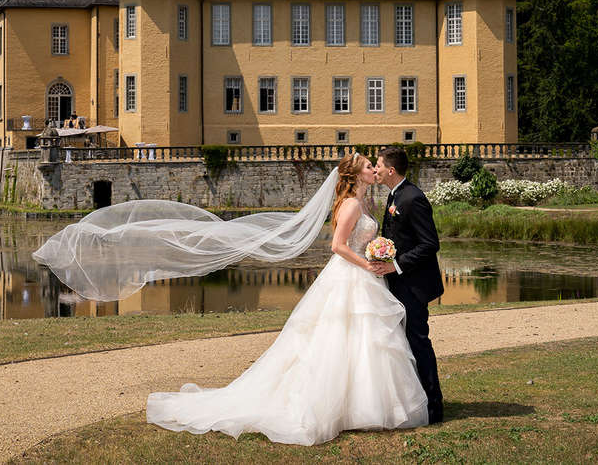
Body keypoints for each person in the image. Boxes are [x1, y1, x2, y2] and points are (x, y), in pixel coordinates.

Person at [145, 154, 429, 445]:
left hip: (364, 276)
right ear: (357, 175)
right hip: (352, 275)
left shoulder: (363, 203)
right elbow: (337, 246)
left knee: (365, 339)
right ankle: (339, 406)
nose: (374, 169)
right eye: (369, 166)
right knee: (341, 337)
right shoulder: (352, 205)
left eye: (374, 165)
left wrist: (378, 253)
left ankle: (362, 406)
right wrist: (367, 264)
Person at [371, 146, 445, 424]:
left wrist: (396, 265)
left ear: (391, 170)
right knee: (404, 344)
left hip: (414, 285)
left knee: (418, 342)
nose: (375, 169)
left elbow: (430, 244)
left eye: (378, 165)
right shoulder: (394, 195)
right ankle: (415, 401)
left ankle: (434, 407)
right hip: (399, 283)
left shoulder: (413, 198)